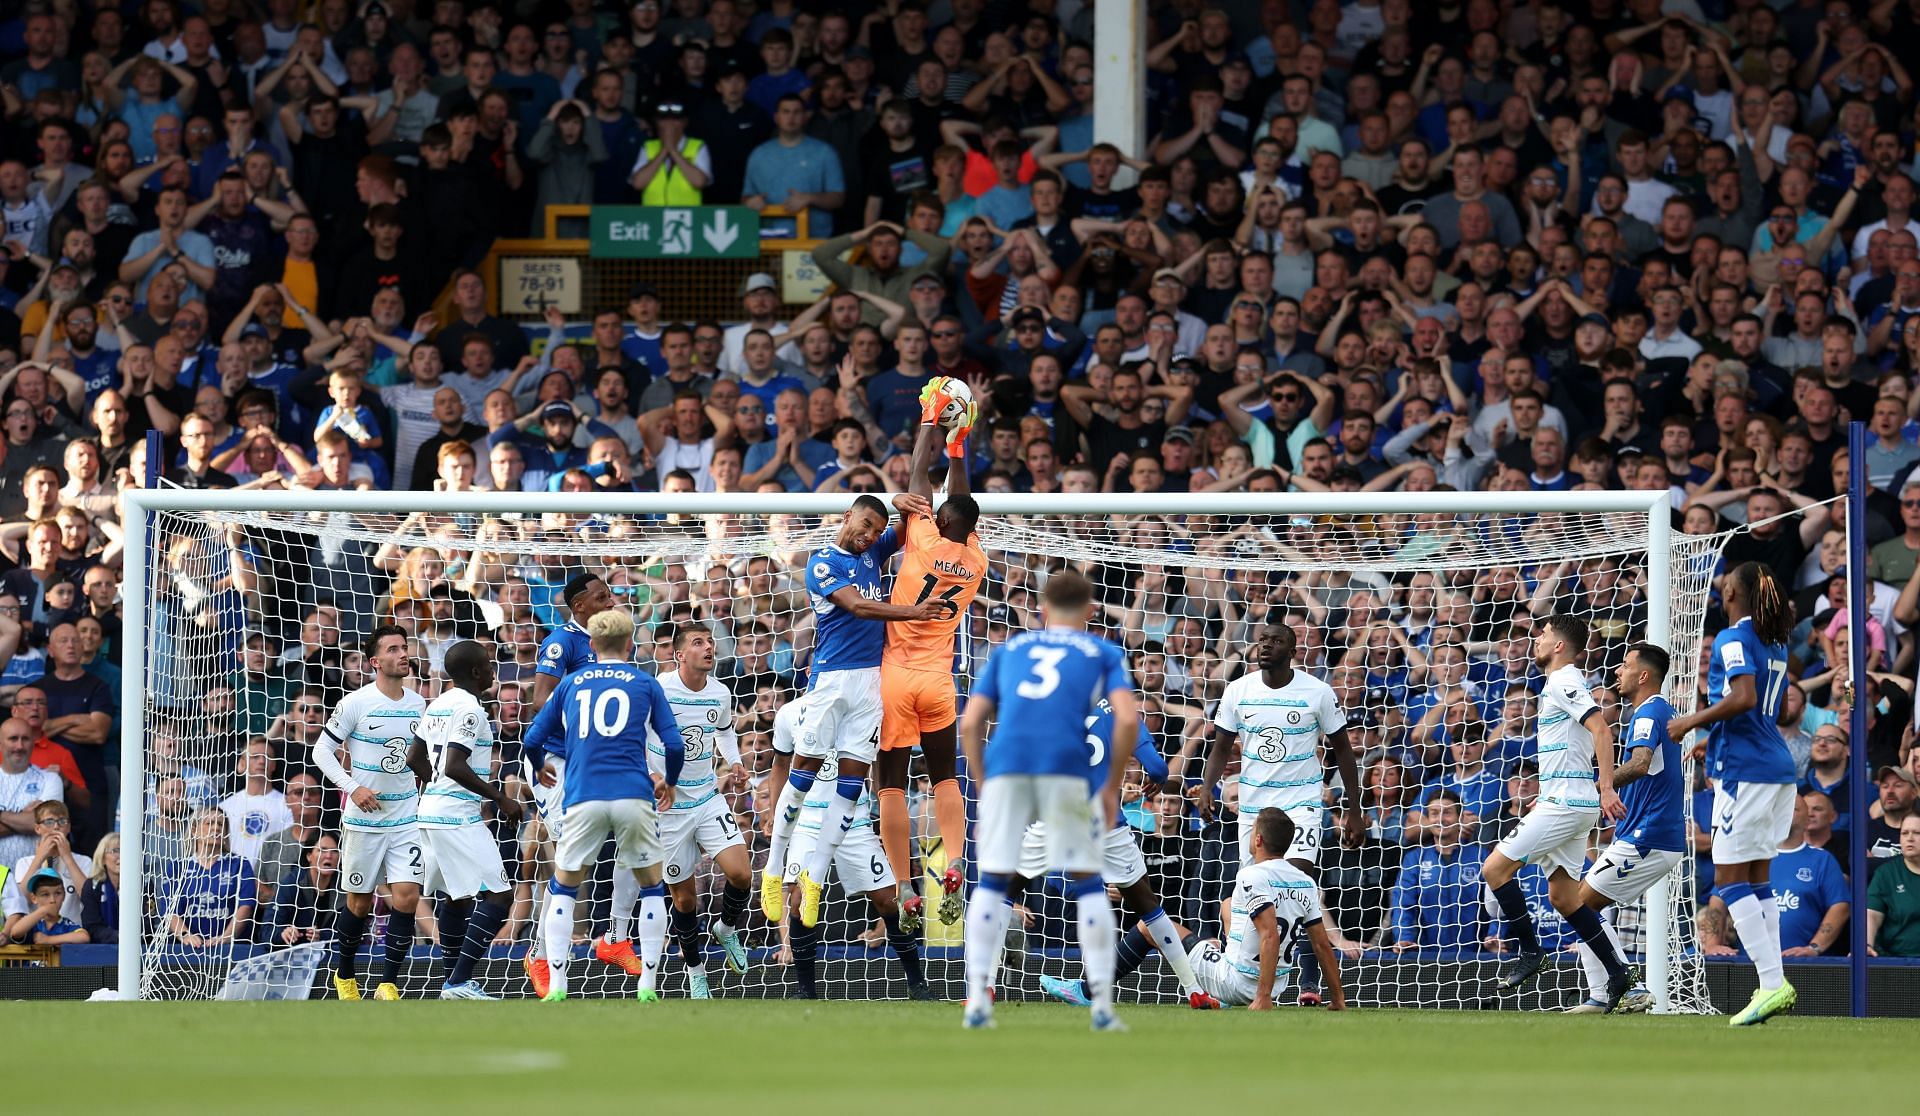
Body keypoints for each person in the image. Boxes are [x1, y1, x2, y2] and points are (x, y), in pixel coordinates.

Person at [760, 495, 952, 927]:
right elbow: (860, 607)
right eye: (864, 525)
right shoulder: (823, 563)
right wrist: (914, 613)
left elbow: (910, 524)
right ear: (847, 517)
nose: (868, 536)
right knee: (804, 771)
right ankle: (774, 869)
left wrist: (901, 501)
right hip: (830, 682)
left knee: (851, 783)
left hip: (870, 684)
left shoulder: (874, 551)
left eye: (874, 530)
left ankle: (812, 877)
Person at [958, 569, 1136, 1032]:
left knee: (993, 884)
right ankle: (1101, 1008)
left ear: (1040, 609)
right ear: (1091, 611)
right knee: (1089, 884)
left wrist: (981, 783)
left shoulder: (1008, 650)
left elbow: (971, 723)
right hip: (1065, 771)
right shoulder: (1102, 651)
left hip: (1007, 769)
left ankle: (977, 1001)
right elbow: (1129, 721)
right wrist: (1112, 787)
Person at [1194, 620, 1359, 1005]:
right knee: (1255, 886)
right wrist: (1207, 788)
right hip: (1253, 805)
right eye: (1262, 640)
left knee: (1297, 881)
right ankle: (1249, 972)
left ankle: (1308, 981)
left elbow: (1343, 750)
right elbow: (1220, 747)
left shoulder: (1317, 692)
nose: (1266, 646)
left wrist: (1352, 808)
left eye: (1276, 641)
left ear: (1293, 650)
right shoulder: (1239, 690)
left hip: (1301, 802)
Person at [522, 608, 682, 1002]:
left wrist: (540, 766)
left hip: (582, 796)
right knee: (651, 887)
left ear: (592, 645)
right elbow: (675, 745)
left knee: (563, 886)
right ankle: (647, 984)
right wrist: (672, 782)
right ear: (630, 643)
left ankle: (557, 985)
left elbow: (531, 738)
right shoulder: (645, 683)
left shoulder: (572, 683)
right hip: (632, 794)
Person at [1669, 561, 1799, 1026]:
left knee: (1728, 881)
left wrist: (1690, 722)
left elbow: (1744, 698)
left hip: (1745, 773)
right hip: (1775, 767)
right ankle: (1775, 982)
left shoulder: (1732, 639)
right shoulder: (1777, 642)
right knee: (1758, 878)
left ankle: (1769, 983)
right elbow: (1777, 710)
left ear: (1731, 595)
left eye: (1724, 590)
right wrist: (1716, 737)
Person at [1030, 695, 1219, 1011]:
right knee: (1149, 908)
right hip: (1107, 822)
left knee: (1003, 888)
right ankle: (1194, 990)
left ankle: (981, 990)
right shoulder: (1120, 710)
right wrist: (1154, 782)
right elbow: (1159, 768)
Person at [1479, 613, 1628, 1002]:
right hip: (1571, 802)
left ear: (1559, 645)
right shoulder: (1560, 682)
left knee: (1494, 869)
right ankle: (1618, 973)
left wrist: (1608, 786)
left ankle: (1530, 951)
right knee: (1564, 897)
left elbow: (1602, 728)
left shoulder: (1564, 680)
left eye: (1543, 634)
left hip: (1563, 801)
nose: (1537, 641)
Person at [877, 386, 982, 931]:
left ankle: (903, 885)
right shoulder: (976, 561)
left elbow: (919, 478)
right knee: (944, 776)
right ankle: (957, 866)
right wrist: (959, 444)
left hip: (896, 677)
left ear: (937, 522)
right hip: (939, 681)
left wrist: (929, 420)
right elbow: (958, 503)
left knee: (891, 782)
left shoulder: (920, 541)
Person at [771, 687, 933, 1001]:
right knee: (799, 901)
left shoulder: (860, 707)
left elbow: (876, 761)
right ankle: (806, 991)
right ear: (811, 672)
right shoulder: (790, 713)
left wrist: (879, 802)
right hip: (808, 821)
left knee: (888, 901)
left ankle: (917, 984)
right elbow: (780, 766)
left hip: (854, 820)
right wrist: (777, 815)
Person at [309, 624, 427, 1001]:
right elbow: (320, 752)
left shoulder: (418, 703)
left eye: (404, 647)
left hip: (407, 816)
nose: (402, 654)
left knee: (406, 896)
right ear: (375, 662)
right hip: (364, 821)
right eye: (393, 649)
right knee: (358, 902)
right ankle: (344, 975)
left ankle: (388, 984)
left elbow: (421, 758)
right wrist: (352, 787)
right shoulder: (354, 703)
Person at [1569, 643, 1683, 1014]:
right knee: (1584, 907)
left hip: (1649, 836)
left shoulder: (1648, 714)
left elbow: (1639, 763)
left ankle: (1626, 988)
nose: (1618, 671)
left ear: (1644, 675)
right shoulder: (1655, 711)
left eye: (1625, 665)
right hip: (1643, 833)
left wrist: (1599, 786)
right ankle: (1603, 996)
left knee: (1579, 903)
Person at [519, 571, 616, 998]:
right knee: (568, 858)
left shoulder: (609, 644)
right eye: (601, 596)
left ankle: (615, 937)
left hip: (588, 759)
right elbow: (540, 698)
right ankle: (540, 955)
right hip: (552, 760)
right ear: (579, 606)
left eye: (611, 594)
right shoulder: (562, 642)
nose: (610, 601)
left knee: (625, 837)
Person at [407, 638, 520, 1001]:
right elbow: (455, 765)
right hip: (456, 815)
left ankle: (452, 984)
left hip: (431, 810)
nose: (492, 670)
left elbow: (414, 758)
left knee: (457, 898)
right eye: (488, 665)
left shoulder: (438, 703)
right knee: (500, 894)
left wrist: (436, 785)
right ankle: (458, 980)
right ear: (475, 672)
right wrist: (501, 797)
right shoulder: (470, 709)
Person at [652, 623, 754, 999]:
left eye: (710, 642)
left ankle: (726, 929)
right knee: (684, 899)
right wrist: (652, 775)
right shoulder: (659, 689)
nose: (709, 647)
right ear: (679, 655)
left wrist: (735, 762)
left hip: (708, 797)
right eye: (698, 642)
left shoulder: (720, 692)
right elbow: (638, 734)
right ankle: (696, 972)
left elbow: (725, 731)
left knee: (741, 874)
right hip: (669, 806)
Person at [1867, 815, 1920, 957]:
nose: (1909, 838)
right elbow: (1872, 914)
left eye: (1917, 833)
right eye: (1904, 833)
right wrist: (1866, 945)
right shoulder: (1886, 874)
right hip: (1897, 964)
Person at [4, 868, 89, 944]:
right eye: (45, 894)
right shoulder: (32, 923)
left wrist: (48, 940)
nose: (52, 900)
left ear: (64, 896)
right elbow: (15, 932)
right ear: (34, 898)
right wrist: (43, 911)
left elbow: (84, 937)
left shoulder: (66, 924)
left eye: (58, 893)